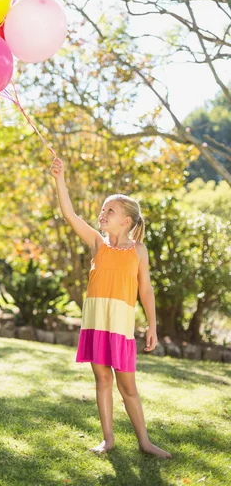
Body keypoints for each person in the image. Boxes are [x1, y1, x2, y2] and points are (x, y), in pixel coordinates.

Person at [50, 156, 172, 460]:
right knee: (102, 379)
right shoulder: (97, 243)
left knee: (127, 386)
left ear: (126, 221)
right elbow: (69, 214)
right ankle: (108, 439)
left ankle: (144, 441)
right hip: (95, 323)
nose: (102, 214)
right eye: (103, 209)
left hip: (119, 326)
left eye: (110, 210)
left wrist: (153, 327)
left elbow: (145, 290)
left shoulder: (138, 251)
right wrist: (59, 179)